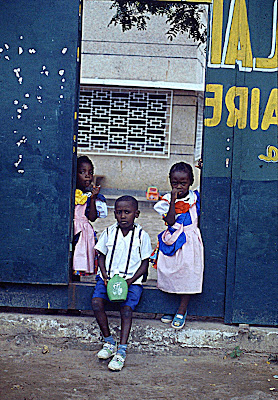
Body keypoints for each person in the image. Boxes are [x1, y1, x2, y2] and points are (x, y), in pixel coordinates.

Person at [92, 196, 152, 371]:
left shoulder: (142, 236)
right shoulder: (109, 232)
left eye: (127, 212)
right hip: (108, 279)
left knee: (126, 310)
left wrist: (130, 281)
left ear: (136, 214)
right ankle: (109, 341)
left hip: (131, 281)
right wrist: (104, 275)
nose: (123, 216)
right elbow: (101, 255)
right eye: (119, 212)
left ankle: (122, 350)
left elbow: (144, 263)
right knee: (96, 302)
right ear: (114, 214)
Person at [153, 162, 204, 330]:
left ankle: (182, 310)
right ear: (170, 182)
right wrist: (173, 201)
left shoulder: (195, 197)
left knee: (187, 274)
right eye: (175, 183)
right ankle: (171, 308)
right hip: (173, 240)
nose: (179, 186)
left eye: (183, 183)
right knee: (171, 273)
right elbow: (169, 221)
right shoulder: (166, 200)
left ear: (191, 182)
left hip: (189, 242)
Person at [73, 155, 107, 278]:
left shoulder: (90, 195)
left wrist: (92, 198)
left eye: (90, 172)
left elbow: (92, 217)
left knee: (80, 254)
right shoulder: (70, 192)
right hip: (72, 229)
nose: (87, 175)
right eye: (82, 172)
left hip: (83, 232)